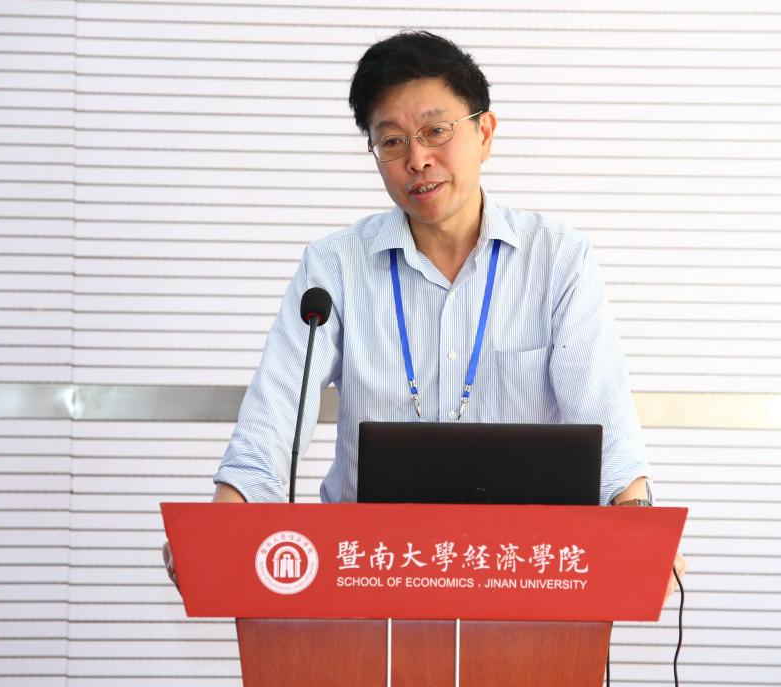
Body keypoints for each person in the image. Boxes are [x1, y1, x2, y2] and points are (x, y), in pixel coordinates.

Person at [164, 30, 685, 600]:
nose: (417, 159)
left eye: (437, 131)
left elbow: (602, 409)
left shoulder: (557, 260)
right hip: (368, 572)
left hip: (523, 573)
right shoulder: (334, 267)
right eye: (391, 141)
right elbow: (276, 411)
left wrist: (638, 521)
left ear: (485, 133)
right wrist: (224, 518)